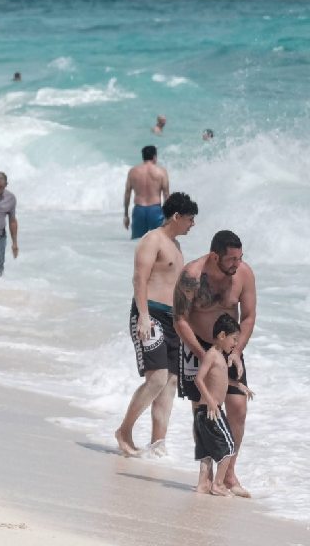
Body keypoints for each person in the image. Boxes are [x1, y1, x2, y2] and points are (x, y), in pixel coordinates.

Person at [113, 191, 198, 457]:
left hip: (173, 320)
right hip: (150, 315)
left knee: (170, 382)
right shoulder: (152, 240)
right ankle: (124, 431)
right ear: (176, 216)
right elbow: (139, 279)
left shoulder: (176, 245)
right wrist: (143, 316)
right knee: (157, 378)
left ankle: (158, 444)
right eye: (190, 219)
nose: (193, 224)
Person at [173, 230, 257, 497]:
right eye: (231, 259)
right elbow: (180, 319)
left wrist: (236, 351)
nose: (237, 264)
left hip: (230, 348)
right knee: (204, 413)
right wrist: (203, 355)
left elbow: (248, 316)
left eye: (240, 258)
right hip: (196, 345)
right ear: (214, 256)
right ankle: (206, 476)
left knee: (238, 408)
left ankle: (229, 474)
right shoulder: (192, 276)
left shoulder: (244, 274)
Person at [190, 313, 248, 497]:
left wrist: (238, 385)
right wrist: (211, 402)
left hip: (204, 411)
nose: (235, 344)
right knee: (229, 447)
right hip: (211, 410)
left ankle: (202, 485)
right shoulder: (212, 355)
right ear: (222, 335)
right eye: (234, 339)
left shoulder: (221, 357)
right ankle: (218, 484)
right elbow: (199, 379)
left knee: (206, 452)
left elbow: (220, 379)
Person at [124, 145, 169, 239]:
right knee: (159, 240)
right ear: (154, 157)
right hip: (155, 210)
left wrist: (126, 215)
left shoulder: (133, 171)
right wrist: (168, 216)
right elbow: (166, 194)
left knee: (137, 242)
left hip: (139, 210)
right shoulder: (161, 172)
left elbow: (127, 193)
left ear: (143, 156)